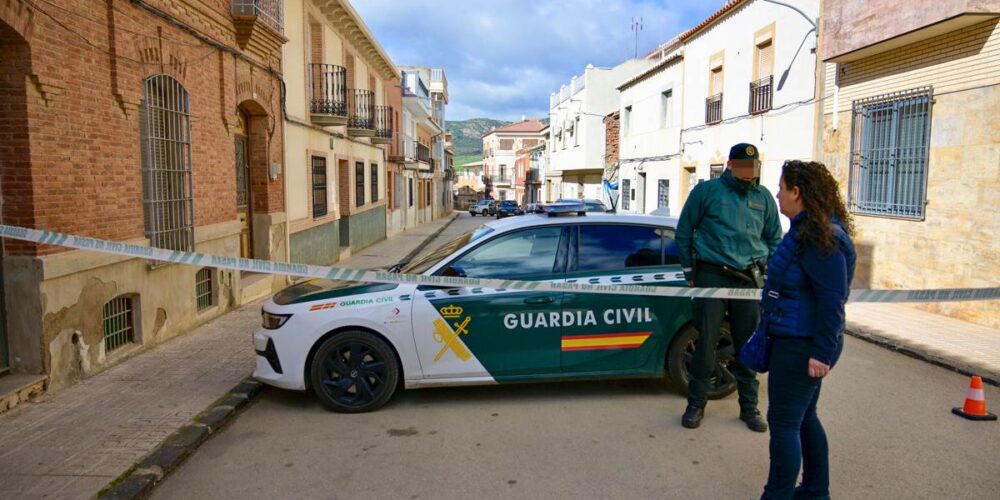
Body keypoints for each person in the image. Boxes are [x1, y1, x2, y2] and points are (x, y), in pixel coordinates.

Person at [759, 160, 856, 500]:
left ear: (797, 192)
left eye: (782, 187)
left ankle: (778, 495)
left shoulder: (817, 237)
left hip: (801, 345)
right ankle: (815, 490)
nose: (777, 194)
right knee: (804, 418)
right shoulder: (809, 231)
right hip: (798, 339)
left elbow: (832, 300)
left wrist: (820, 353)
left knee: (784, 424)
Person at [675, 143, 782, 432]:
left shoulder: (763, 198)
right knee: (706, 344)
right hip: (712, 275)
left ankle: (749, 408)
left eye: (754, 166)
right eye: (744, 166)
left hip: (747, 280)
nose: (750, 172)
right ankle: (695, 405)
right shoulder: (707, 192)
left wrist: (768, 270)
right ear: (731, 166)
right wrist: (690, 273)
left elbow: (774, 239)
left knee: (748, 346)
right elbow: (684, 232)